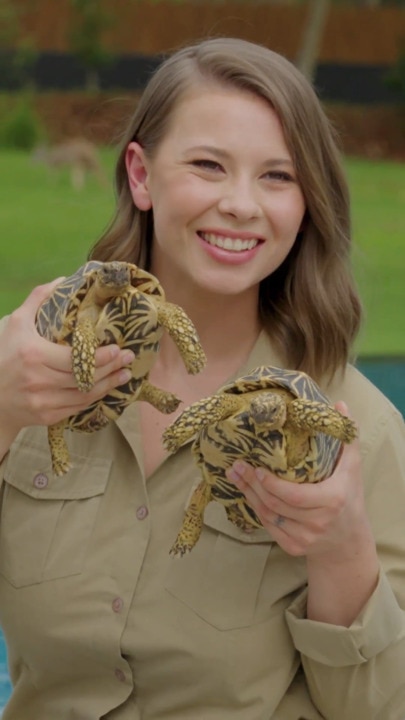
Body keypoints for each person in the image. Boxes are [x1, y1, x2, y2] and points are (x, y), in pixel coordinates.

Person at [0, 37, 404, 720]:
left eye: (277, 177)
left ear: (306, 202)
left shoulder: (356, 429)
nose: (241, 204)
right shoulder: (30, 373)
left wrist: (340, 554)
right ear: (141, 174)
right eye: (208, 165)